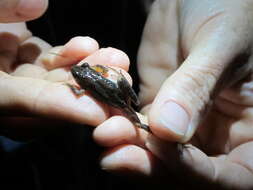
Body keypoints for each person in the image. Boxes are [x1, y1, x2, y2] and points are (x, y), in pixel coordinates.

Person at [1, 0, 253, 189]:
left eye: (80, 73)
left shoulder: (84, 81)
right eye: (78, 74)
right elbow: (82, 86)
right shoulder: (85, 80)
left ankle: (157, 127)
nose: (78, 72)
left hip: (122, 39)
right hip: (100, 81)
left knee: (127, 116)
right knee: (123, 121)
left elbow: (80, 90)